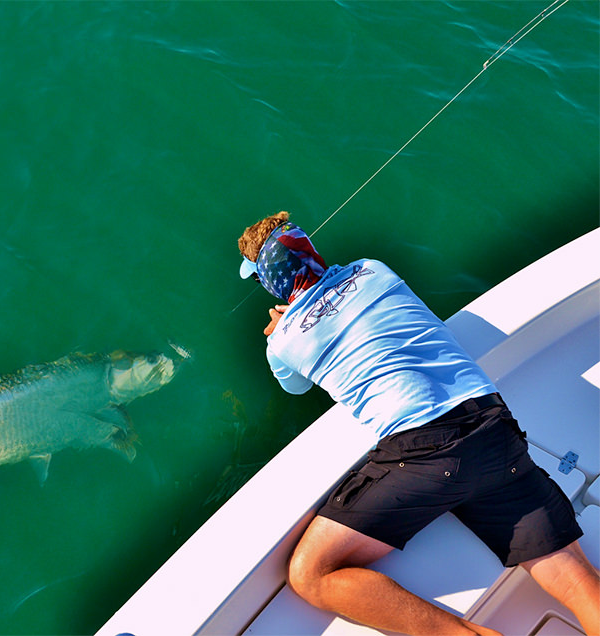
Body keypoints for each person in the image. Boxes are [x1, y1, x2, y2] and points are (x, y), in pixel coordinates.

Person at [237, 211, 599, 636]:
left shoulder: (282, 342)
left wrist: (281, 329)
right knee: (579, 582)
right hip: (493, 429)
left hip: (426, 454)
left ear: (270, 281)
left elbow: (295, 386)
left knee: (311, 572)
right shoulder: (372, 269)